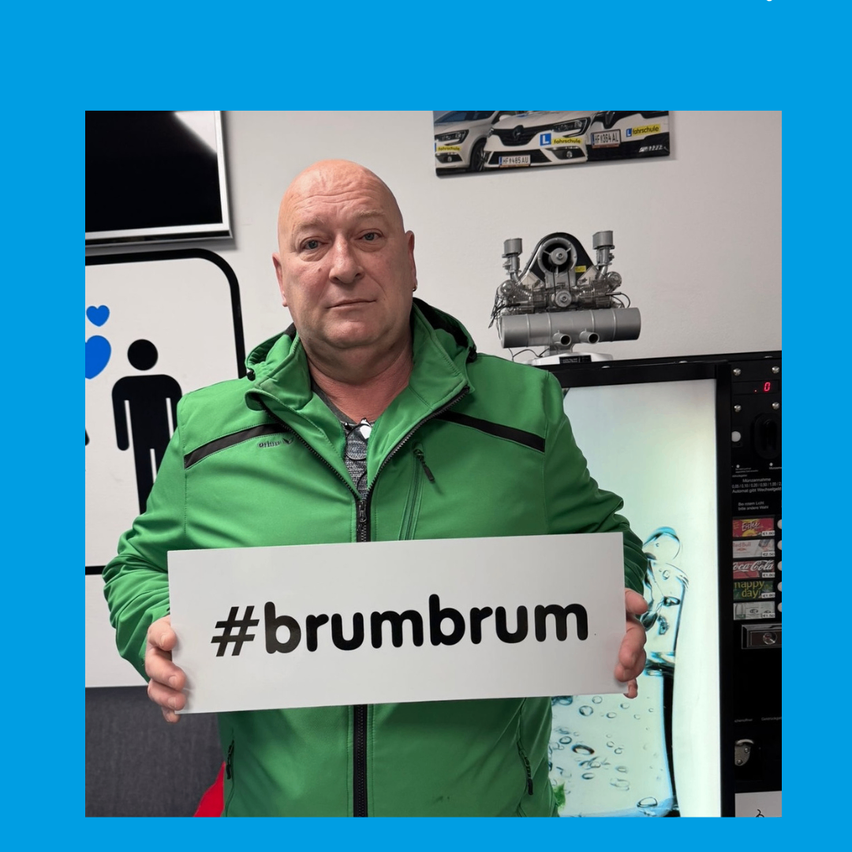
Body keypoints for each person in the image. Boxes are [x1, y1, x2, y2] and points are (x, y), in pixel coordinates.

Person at [103, 159, 649, 817]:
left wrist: (612, 603)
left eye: (369, 236)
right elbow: (137, 569)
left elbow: (605, 544)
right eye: (312, 243)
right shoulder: (207, 428)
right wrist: (153, 627)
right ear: (281, 276)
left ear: (409, 257)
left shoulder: (525, 409)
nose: (343, 266)